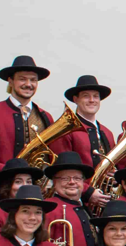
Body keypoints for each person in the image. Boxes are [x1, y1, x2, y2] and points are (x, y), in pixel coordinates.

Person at [0, 55, 52, 188]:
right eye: (22, 79)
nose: (28, 84)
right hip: (0, 188)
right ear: (10, 81)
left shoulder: (46, 117)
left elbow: (49, 155)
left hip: (36, 191)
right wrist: (9, 172)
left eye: (33, 80)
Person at [49, 76, 117, 207]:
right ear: (76, 99)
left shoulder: (107, 133)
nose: (92, 100)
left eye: (96, 96)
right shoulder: (66, 130)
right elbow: (61, 170)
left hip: (104, 199)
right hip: (74, 199)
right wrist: (88, 192)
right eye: (86, 96)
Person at [43, 151, 97, 246]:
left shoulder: (84, 208)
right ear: (54, 181)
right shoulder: (48, 208)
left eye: (77, 178)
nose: (72, 182)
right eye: (65, 178)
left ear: (83, 182)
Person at [0, 158, 43, 237]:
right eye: (18, 182)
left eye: (28, 181)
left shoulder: (39, 212)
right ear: (7, 186)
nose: (25, 186)